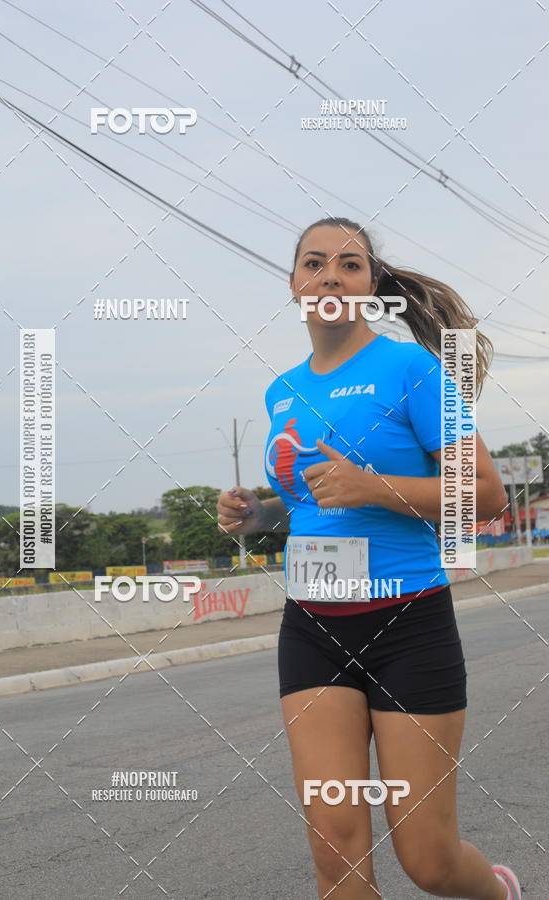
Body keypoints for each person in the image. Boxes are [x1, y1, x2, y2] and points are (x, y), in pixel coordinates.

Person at [216, 217, 522, 899]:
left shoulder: (410, 369)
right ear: (294, 283)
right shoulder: (282, 390)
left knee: (429, 861)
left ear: (372, 287)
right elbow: (310, 503)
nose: (331, 275)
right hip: (313, 629)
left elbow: (486, 496)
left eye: (349, 265)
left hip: (408, 625)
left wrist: (374, 487)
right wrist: (256, 513)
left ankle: (500, 891)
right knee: (334, 846)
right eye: (315, 263)